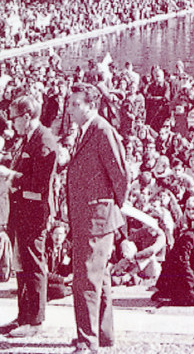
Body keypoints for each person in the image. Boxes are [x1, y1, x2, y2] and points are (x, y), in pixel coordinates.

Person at [66, 82, 130, 354]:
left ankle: (87, 340)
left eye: (75, 104)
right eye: (70, 103)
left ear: (91, 105)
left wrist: (112, 207)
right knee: (99, 278)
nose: (70, 109)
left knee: (85, 280)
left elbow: (121, 175)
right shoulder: (85, 130)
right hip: (91, 217)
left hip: (97, 218)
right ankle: (103, 334)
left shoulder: (102, 130)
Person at [0, 95, 60, 338]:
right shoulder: (27, 139)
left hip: (34, 212)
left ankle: (35, 320)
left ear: (27, 116)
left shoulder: (43, 140)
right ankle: (23, 315)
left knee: (34, 264)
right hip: (21, 210)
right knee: (22, 265)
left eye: (14, 118)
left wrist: (10, 175)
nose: (11, 123)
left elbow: (39, 183)